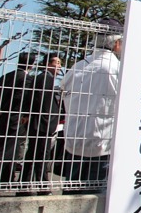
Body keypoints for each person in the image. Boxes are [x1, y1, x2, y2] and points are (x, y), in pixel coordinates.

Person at [59, 20, 123, 188]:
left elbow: (63, 93)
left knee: (73, 189)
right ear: (117, 43)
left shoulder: (77, 67)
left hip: (75, 136)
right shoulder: (118, 69)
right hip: (104, 139)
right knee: (98, 196)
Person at [19, 53, 64, 189]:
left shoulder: (42, 77)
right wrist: (48, 122)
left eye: (60, 63)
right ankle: (42, 184)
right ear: (48, 64)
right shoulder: (46, 78)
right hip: (43, 124)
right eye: (56, 63)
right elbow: (42, 103)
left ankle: (25, 184)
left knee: (33, 154)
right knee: (41, 155)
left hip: (39, 123)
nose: (59, 66)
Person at [0, 51, 35, 186]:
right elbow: (23, 97)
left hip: (1, 115)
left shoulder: (6, 76)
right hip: (16, 117)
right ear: (31, 65)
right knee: (8, 148)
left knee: (4, 146)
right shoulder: (27, 79)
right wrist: (26, 113)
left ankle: (7, 177)